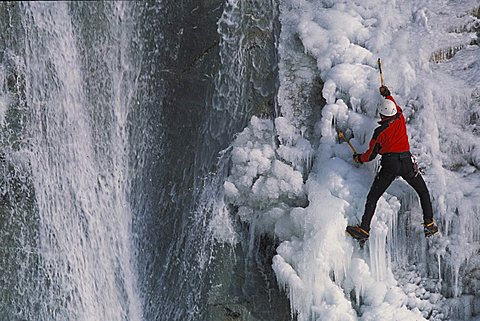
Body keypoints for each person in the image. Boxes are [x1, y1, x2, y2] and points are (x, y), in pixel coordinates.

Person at [346, 86, 438, 241]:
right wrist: (387, 94)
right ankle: (429, 224)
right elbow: (394, 107)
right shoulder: (400, 118)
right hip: (407, 163)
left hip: (390, 165)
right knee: (422, 191)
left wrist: (359, 158)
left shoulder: (379, 132)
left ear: (381, 114)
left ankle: (364, 229)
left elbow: (370, 155)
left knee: (373, 197)